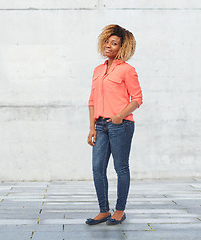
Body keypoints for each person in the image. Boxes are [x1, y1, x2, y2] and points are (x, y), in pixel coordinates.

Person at [85, 24, 143, 225]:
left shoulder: (127, 70)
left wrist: (119, 115)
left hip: (121, 125)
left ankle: (119, 210)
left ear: (122, 48)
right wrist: (92, 127)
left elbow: (137, 99)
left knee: (121, 168)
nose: (109, 46)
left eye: (114, 43)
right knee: (97, 168)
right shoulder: (98, 70)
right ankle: (103, 210)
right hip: (100, 125)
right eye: (108, 41)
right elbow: (92, 100)